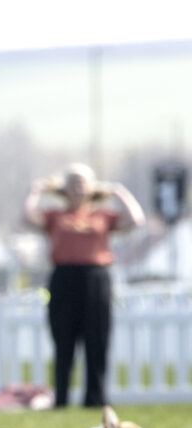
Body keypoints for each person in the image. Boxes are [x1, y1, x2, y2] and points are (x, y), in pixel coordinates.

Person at [24, 164, 144, 408]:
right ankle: (62, 399)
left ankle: (95, 399)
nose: (78, 188)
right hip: (64, 278)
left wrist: (119, 193)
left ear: (91, 187)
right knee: (63, 339)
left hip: (96, 278)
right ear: (64, 188)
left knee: (97, 340)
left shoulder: (102, 216)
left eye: (83, 182)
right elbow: (26, 218)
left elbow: (135, 221)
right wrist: (34, 192)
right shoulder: (54, 216)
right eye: (73, 183)